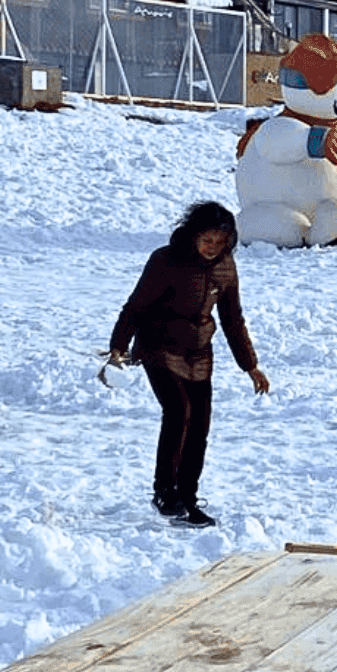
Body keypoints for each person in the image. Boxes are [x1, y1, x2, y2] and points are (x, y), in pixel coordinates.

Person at [108, 201, 270, 527]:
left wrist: (250, 365)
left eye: (219, 242)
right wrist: (118, 348)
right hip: (159, 346)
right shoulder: (166, 261)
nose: (212, 248)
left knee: (199, 425)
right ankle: (164, 491)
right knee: (178, 411)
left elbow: (232, 319)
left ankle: (188, 499)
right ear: (194, 235)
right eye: (207, 240)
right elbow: (135, 307)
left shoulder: (225, 267)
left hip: (199, 354)